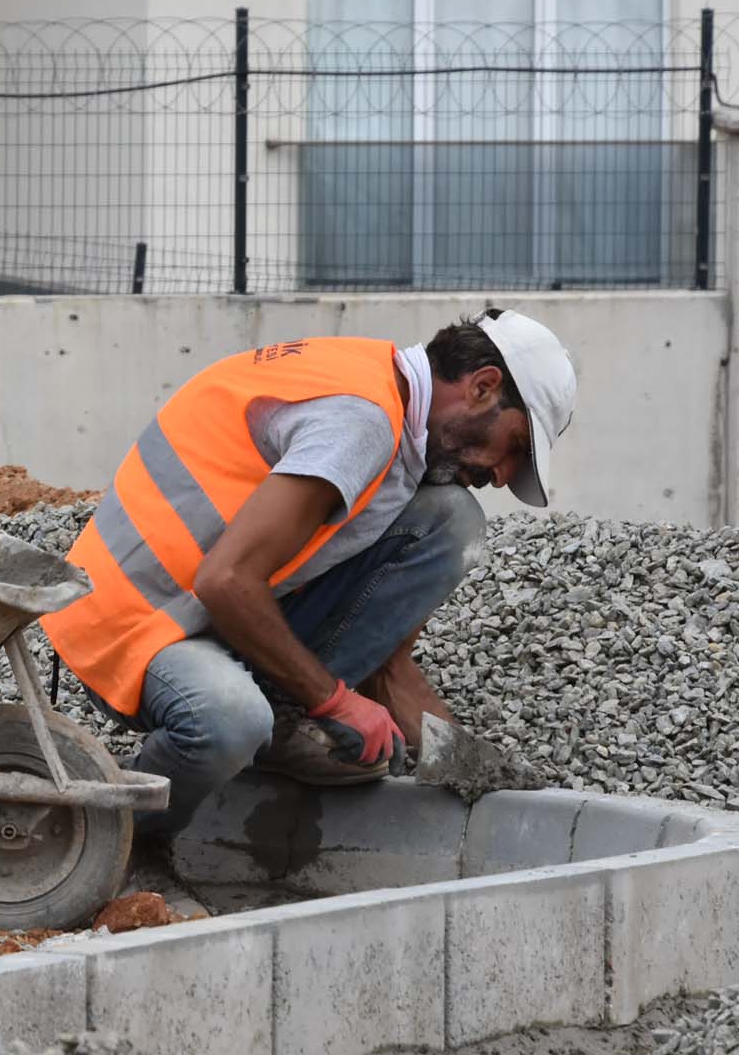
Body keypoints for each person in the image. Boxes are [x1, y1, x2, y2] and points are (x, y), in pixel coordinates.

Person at [39, 308, 577, 837]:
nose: (503, 476)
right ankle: (103, 839)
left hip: (201, 607)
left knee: (450, 517)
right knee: (231, 722)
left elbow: (385, 665)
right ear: (483, 387)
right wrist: (335, 701)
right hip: (130, 620)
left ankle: (281, 720)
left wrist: (472, 767)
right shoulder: (360, 421)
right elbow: (226, 581)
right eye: (515, 448)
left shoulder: (383, 394)